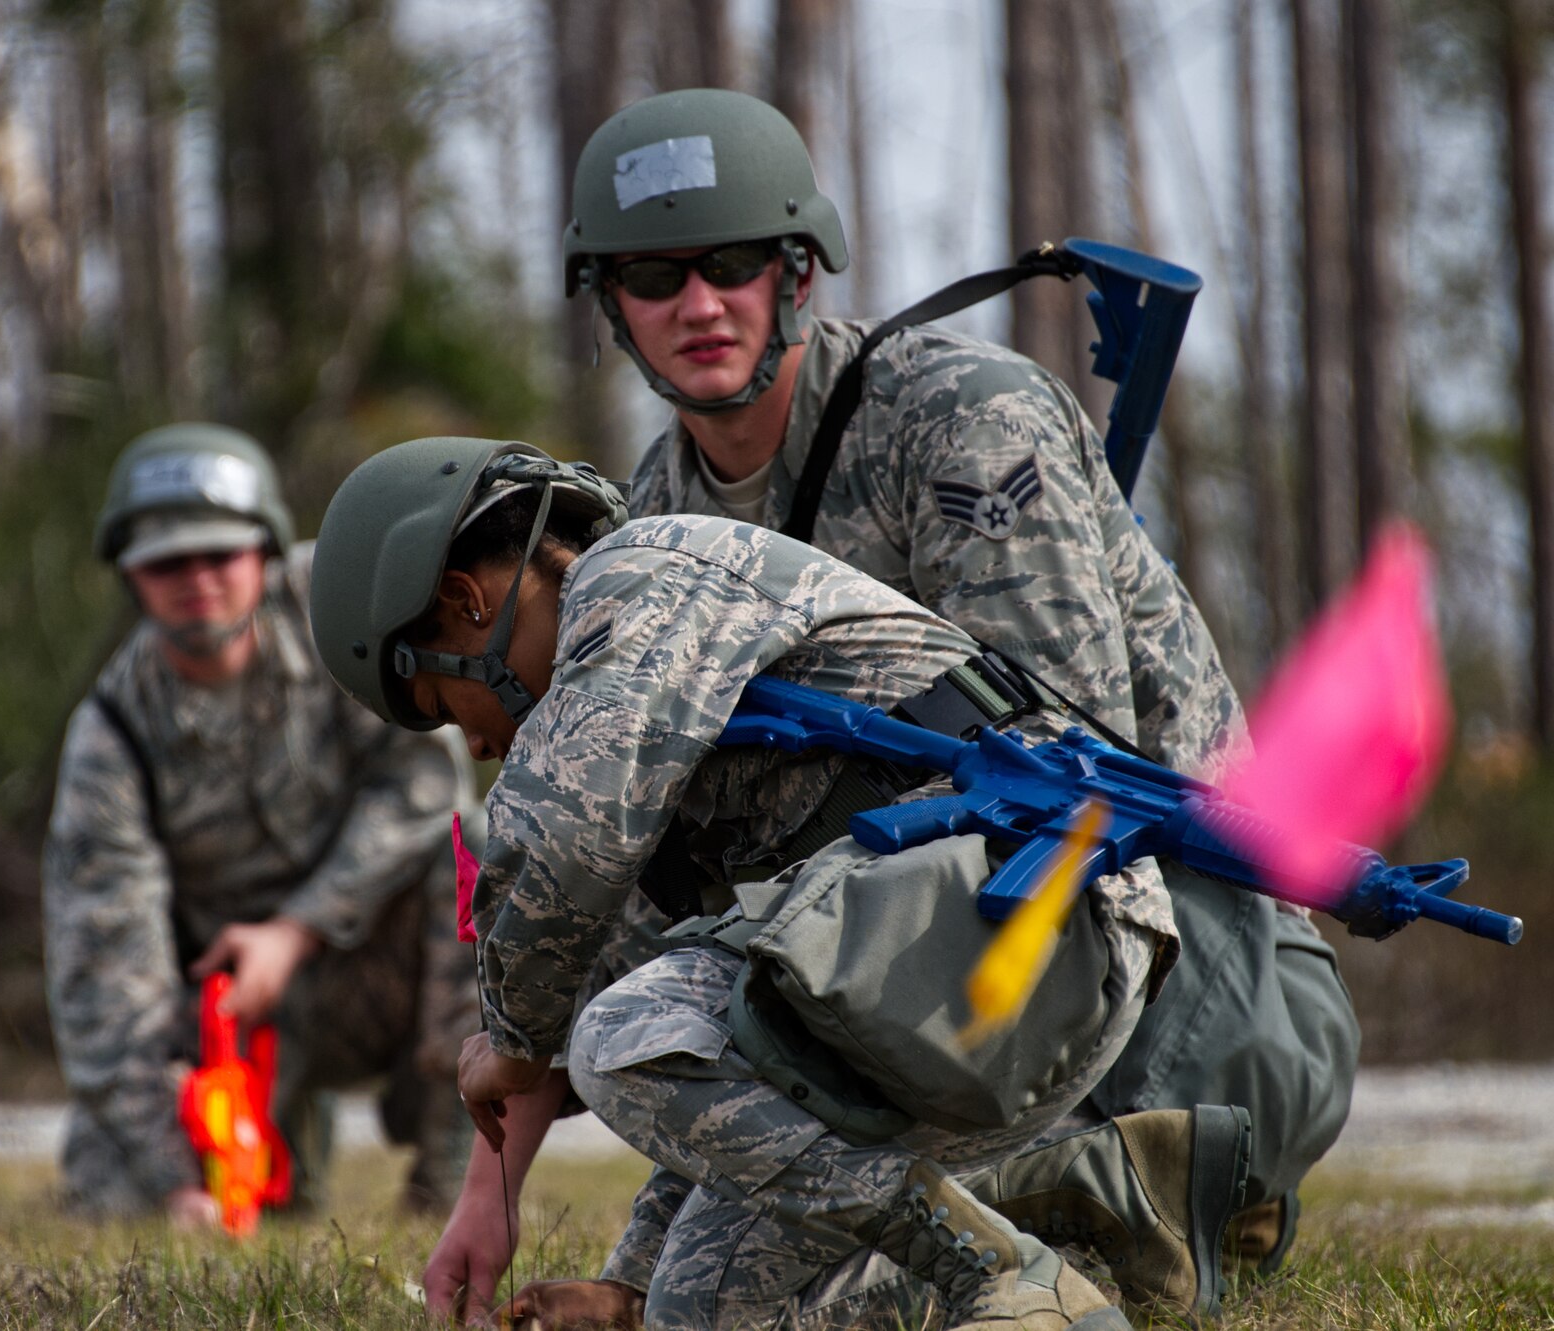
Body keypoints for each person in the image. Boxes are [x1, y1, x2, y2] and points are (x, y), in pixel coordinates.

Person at [561, 87, 1360, 1313]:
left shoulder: (958, 417)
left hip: (1181, 968)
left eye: (729, 262)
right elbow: (729, 911)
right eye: (652, 274)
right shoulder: (660, 519)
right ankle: (1084, 1194)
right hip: (909, 973)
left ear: (795, 271)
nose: (697, 303)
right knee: (696, 1305)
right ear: (608, 303)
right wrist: (632, 1261)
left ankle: (1140, 1178)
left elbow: (1067, 786)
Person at [309, 436, 1220, 1330]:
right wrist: (632, 1286)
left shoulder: (633, 578)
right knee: (699, 1309)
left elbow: (554, 844)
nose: (472, 744)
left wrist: (510, 1036)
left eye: (442, 705)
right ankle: (1081, 1202)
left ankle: (999, 1270)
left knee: (618, 1033)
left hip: (1022, 909)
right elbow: (722, 1058)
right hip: (947, 959)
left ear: (468, 603)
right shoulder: (654, 710)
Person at [42, 422, 480, 1225]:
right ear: (131, 574)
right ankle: (272, 1149)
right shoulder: (112, 735)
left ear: (266, 550)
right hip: (224, 1015)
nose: (197, 578)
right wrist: (177, 1174)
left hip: (367, 972)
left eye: (220, 553)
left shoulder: (335, 613)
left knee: (470, 859)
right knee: (117, 1201)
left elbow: (428, 787)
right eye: (168, 561)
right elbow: (106, 977)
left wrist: (297, 929)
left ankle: (452, 1187)